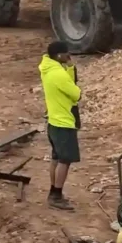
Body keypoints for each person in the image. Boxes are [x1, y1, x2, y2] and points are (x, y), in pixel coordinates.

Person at [39, 41, 81, 211]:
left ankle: (53, 192)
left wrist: (69, 68)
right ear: (58, 56)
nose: (68, 55)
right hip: (64, 122)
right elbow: (76, 94)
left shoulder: (47, 69)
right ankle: (56, 196)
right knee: (65, 160)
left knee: (56, 158)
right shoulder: (58, 74)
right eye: (66, 53)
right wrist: (70, 70)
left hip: (53, 121)